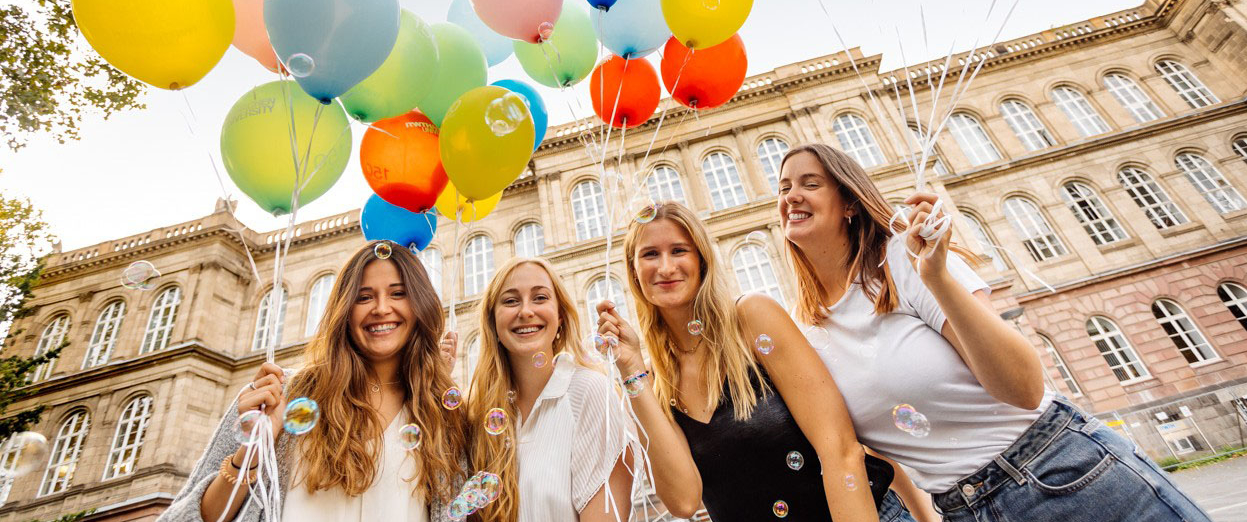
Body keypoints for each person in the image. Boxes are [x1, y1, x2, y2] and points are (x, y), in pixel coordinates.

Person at [775, 142, 1212, 522]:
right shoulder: (802, 329)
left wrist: (938, 278)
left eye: (810, 183)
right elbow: (875, 451)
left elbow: (1024, 388)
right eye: (783, 188)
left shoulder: (907, 259)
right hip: (963, 509)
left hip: (1060, 470)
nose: (792, 195)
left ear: (850, 203)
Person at [597, 200, 918, 522]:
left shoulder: (752, 319)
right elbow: (683, 501)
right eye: (650, 254)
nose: (666, 267)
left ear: (701, 259)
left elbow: (841, 449)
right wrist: (631, 368)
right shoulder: (648, 383)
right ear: (634, 270)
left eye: (679, 250)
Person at [161, 241, 468, 522]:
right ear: (344, 310)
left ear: (420, 305)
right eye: (364, 297)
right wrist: (253, 451)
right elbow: (186, 518)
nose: (381, 308)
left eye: (398, 293)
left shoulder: (441, 415)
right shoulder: (281, 395)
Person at [466, 257, 634, 522]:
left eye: (540, 298)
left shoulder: (590, 391)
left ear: (560, 317)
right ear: (493, 323)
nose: (526, 311)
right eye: (510, 301)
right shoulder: (476, 414)